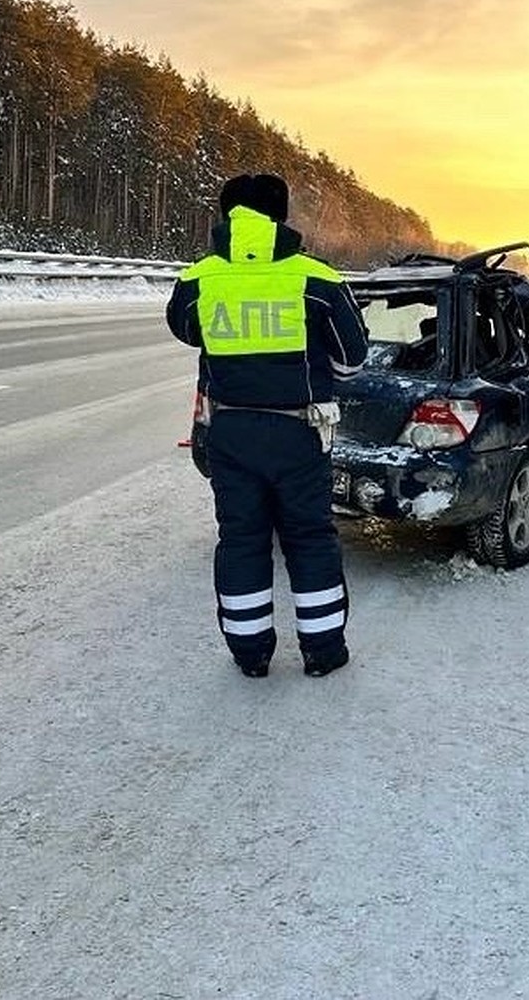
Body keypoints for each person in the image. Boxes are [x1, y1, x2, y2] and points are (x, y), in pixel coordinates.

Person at [166, 173, 369, 679]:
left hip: (230, 432)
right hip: (299, 432)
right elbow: (353, 359)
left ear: (226, 216)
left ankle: (250, 653)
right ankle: (323, 651)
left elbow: (184, 329)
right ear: (280, 217)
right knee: (309, 537)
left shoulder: (199, 279)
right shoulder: (317, 280)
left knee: (241, 538)